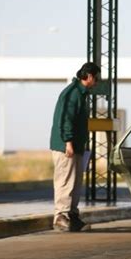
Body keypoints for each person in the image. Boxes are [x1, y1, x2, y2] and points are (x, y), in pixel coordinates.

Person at [50, 62, 101, 232]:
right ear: (89, 76)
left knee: (75, 182)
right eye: (97, 78)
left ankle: (72, 214)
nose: (97, 82)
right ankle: (61, 216)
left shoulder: (81, 94)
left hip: (77, 146)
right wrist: (68, 142)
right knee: (65, 180)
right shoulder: (71, 94)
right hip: (66, 146)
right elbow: (65, 119)